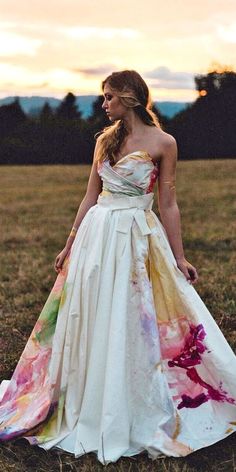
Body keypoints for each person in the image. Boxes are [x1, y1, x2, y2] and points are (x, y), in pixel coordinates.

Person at [0, 70, 235, 465]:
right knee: (91, 310)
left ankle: (136, 394)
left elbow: (169, 204)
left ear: (129, 96)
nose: (104, 103)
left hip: (137, 237)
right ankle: (87, 391)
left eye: (109, 96)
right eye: (103, 96)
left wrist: (179, 256)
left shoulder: (164, 143)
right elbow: (90, 196)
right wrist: (69, 243)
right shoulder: (105, 141)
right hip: (98, 235)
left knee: (134, 311)